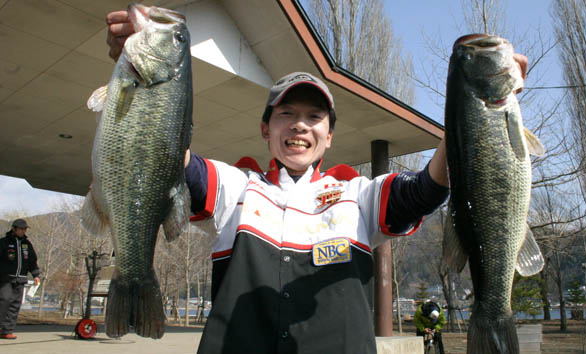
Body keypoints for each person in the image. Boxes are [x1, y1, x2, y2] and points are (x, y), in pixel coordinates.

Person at [106, 8, 527, 354]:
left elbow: (426, 188)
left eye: (314, 117)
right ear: (265, 129)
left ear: (329, 137)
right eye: (286, 114)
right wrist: (151, 83)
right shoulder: (235, 187)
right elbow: (169, 159)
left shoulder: (358, 195)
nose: (299, 127)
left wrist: (477, 116)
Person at [0, 219, 40, 340]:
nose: (23, 231)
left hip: (21, 279)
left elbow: (32, 261)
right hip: (5, 279)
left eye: (25, 229)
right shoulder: (3, 242)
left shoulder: (27, 245)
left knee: (15, 305)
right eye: (21, 229)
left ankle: (7, 330)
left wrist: (36, 275)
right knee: (3, 301)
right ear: (14, 229)